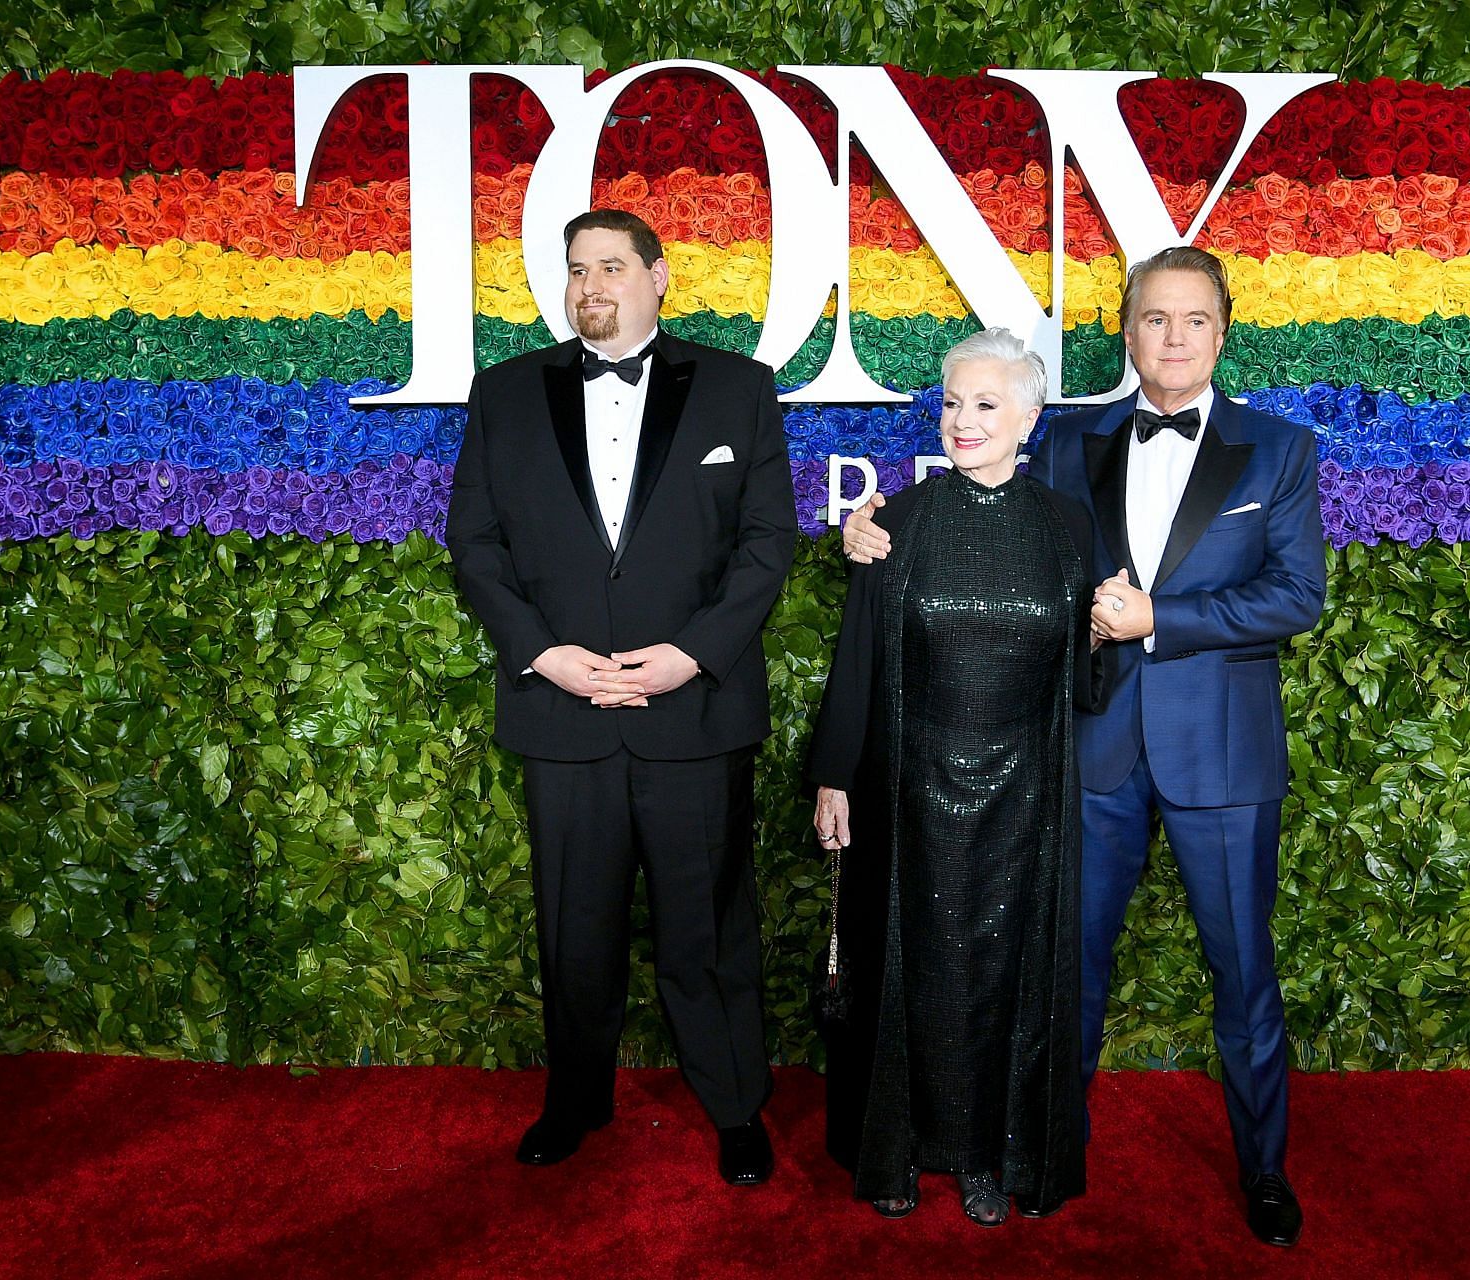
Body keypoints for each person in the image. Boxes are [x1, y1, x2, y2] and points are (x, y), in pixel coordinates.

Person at [843, 246, 1326, 1246]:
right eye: (1154, 319)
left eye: (1194, 320)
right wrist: (868, 530)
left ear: (1223, 332)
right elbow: (993, 523)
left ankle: (1266, 1170)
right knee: (1065, 973)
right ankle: (1038, 1151)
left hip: (1222, 758)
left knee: (1243, 975)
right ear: (1128, 329)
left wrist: (1162, 615)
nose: (1174, 338)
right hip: (1085, 752)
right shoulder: (1069, 445)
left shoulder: (1279, 450)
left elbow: (1295, 597)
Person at [445, 208, 796, 1185]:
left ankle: (734, 1106)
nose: (589, 284)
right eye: (575, 269)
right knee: (575, 928)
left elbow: (769, 541)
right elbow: (474, 544)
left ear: (658, 274)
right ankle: (575, 1100)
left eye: (609, 265)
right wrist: (540, 653)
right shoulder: (506, 393)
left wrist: (694, 653)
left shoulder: (738, 388)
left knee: (709, 927)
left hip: (692, 710)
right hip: (563, 712)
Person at [808, 328, 1100, 1225]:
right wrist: (834, 779)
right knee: (912, 968)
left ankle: (986, 1155)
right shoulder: (898, 522)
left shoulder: (1065, 526)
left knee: (1002, 977)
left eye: (984, 404)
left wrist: (1109, 631)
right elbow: (857, 660)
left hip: (1027, 796)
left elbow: (1082, 679)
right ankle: (896, 1148)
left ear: (1028, 417)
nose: (963, 422)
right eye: (951, 403)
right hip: (909, 790)